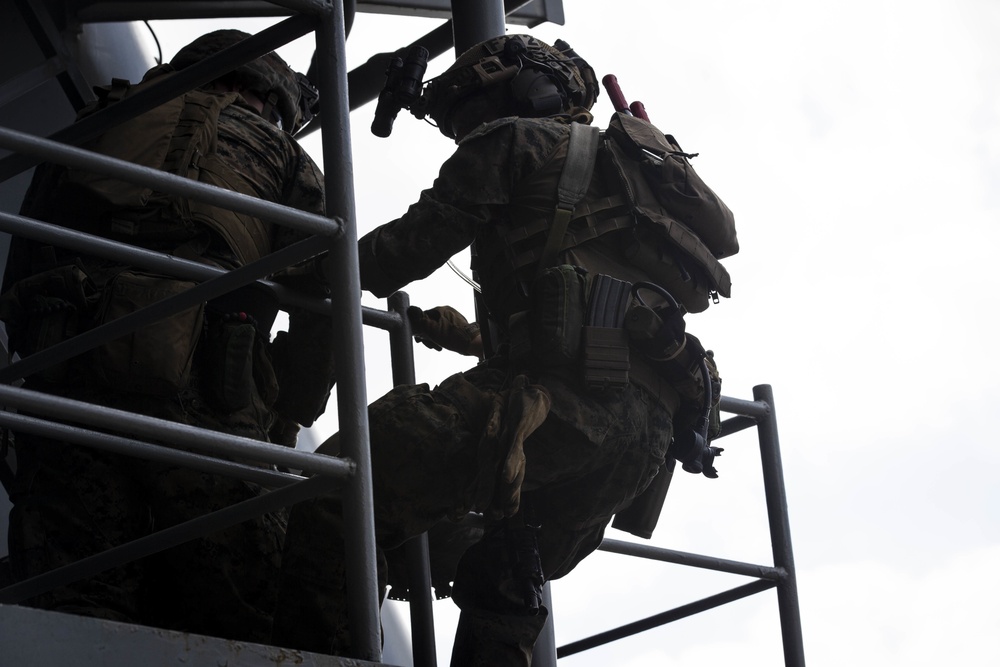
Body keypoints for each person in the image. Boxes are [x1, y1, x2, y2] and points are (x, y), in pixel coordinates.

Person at [271, 34, 731, 665]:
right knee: (499, 557)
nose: (468, 128)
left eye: (474, 107)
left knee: (345, 482)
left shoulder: (520, 141)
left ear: (528, 87)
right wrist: (469, 334)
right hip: (643, 447)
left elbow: (406, 249)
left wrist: (301, 267)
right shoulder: (637, 177)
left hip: (559, 410)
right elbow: (571, 304)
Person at [0, 30, 335, 643]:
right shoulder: (279, 152)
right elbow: (321, 292)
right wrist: (291, 414)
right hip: (203, 391)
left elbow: (26, 246)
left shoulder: (105, 117)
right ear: (268, 94)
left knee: (75, 598)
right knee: (250, 607)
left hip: (69, 370)